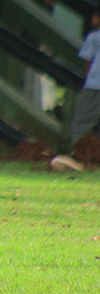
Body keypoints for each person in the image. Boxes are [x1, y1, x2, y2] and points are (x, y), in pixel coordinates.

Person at [50, 10, 100, 172]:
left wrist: (88, 79)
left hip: (95, 85)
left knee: (81, 122)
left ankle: (80, 158)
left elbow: (88, 63)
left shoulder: (94, 37)